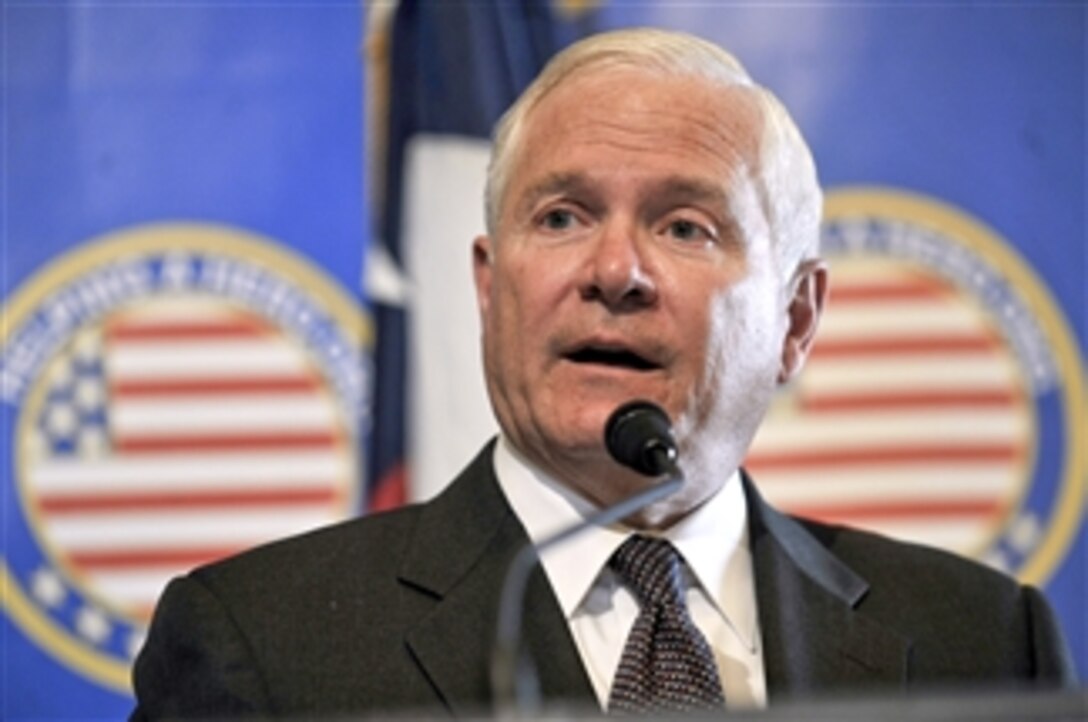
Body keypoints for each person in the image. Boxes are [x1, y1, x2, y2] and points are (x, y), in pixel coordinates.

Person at [130, 27, 1076, 719]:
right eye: (561, 217)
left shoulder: (984, 641)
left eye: (683, 227)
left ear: (795, 320)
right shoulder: (261, 647)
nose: (614, 272)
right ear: (490, 289)